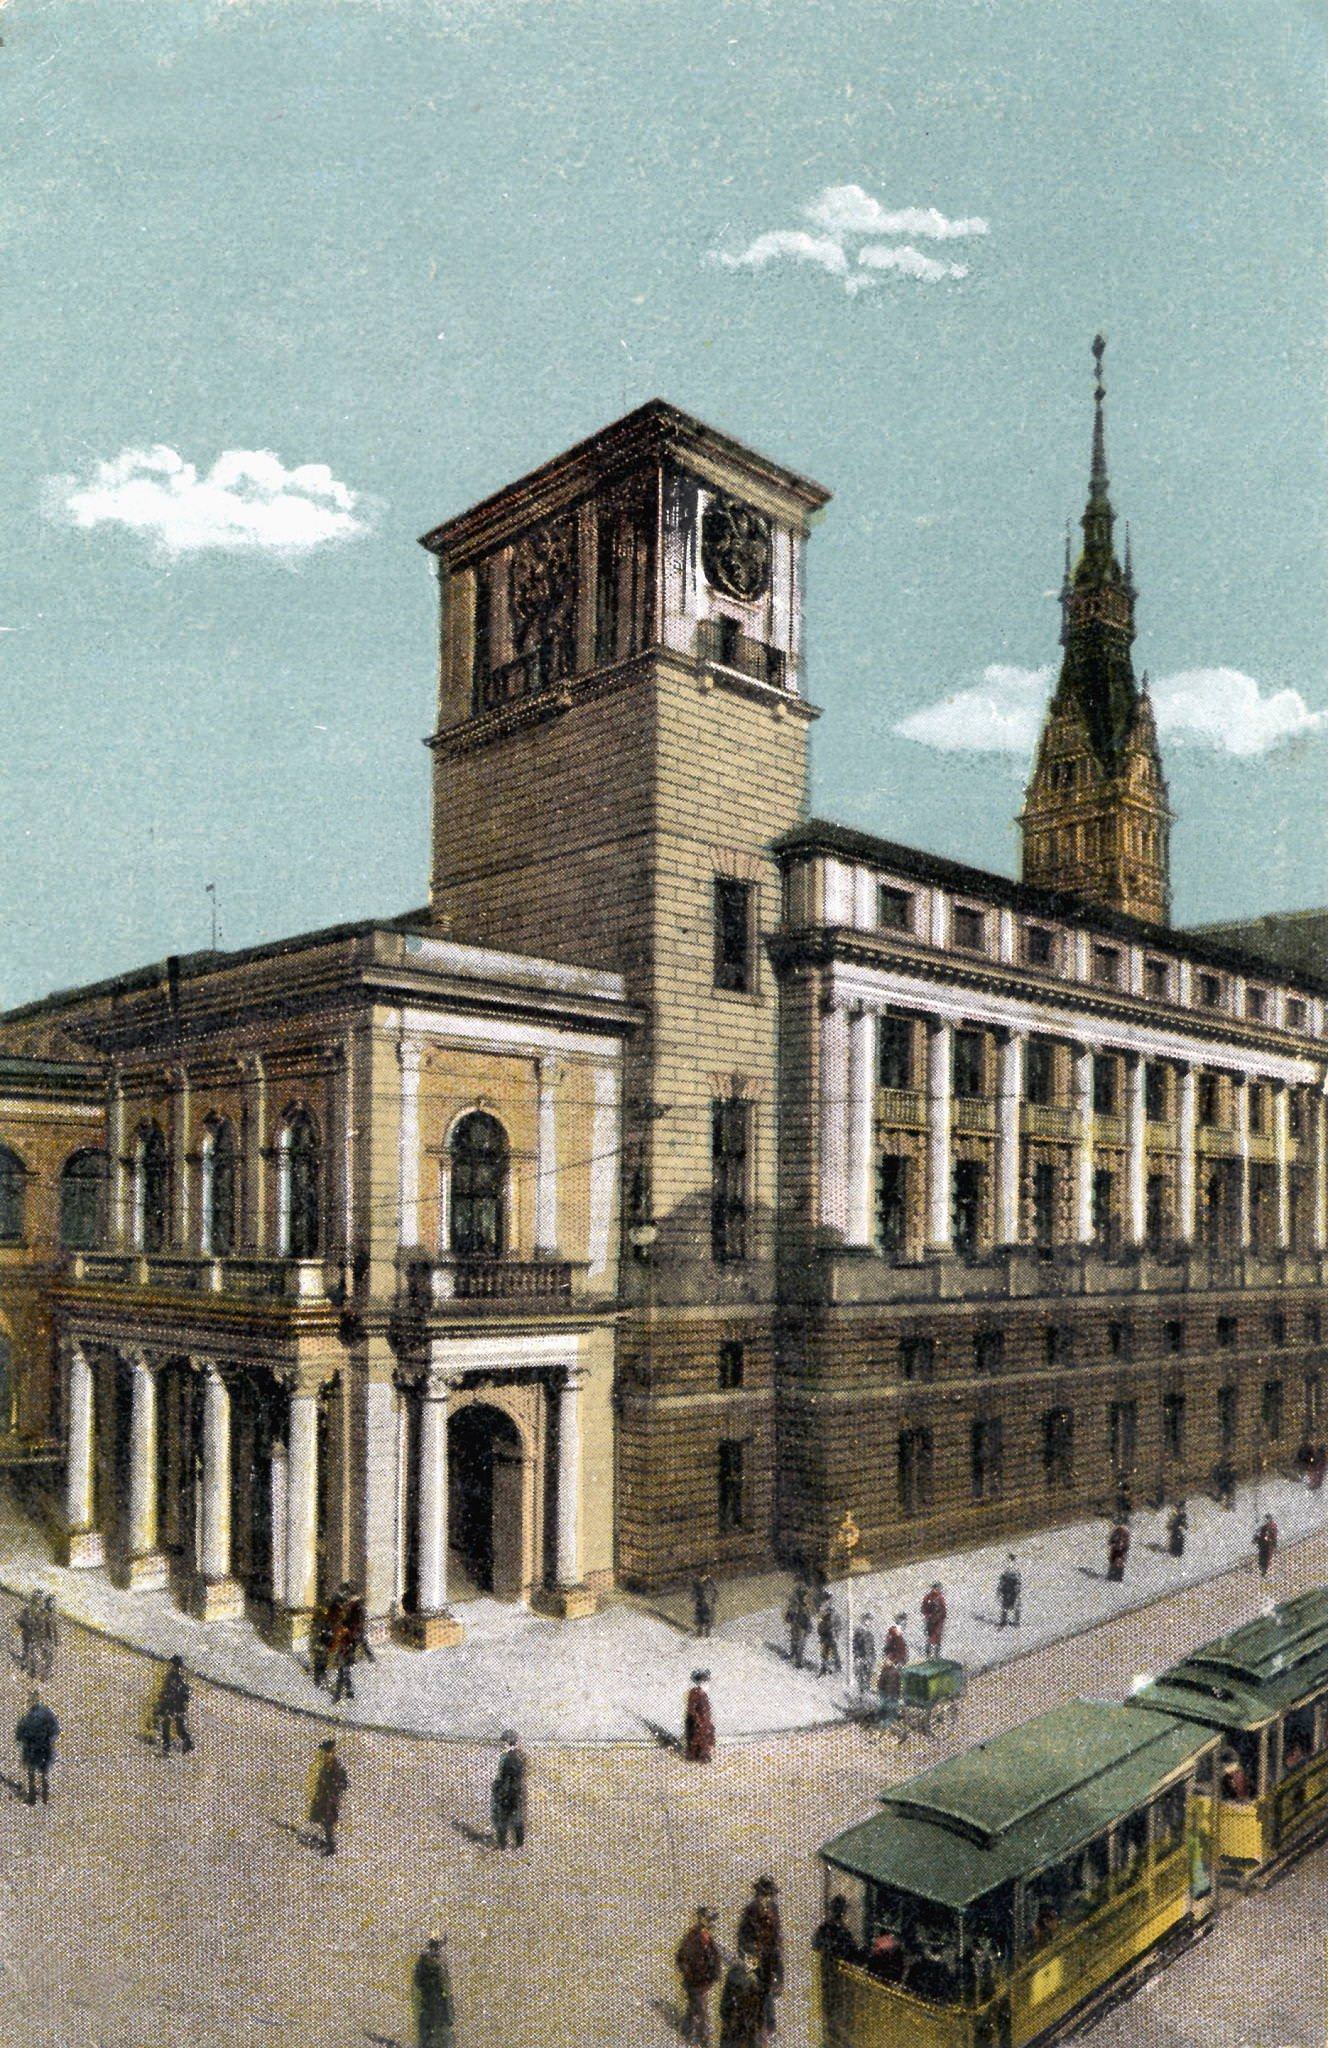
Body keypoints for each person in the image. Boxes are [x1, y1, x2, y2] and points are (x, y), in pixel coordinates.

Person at [736, 1876, 784, 2037]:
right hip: (755, 1959)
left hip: (771, 1959)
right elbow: (742, 1939)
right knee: (756, 1993)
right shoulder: (750, 1912)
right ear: (757, 1895)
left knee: (768, 1993)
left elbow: (777, 1937)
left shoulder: (774, 1909)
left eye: (769, 1895)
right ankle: (758, 2029)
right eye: (764, 1895)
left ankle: (769, 2029)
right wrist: (749, 1960)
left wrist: (779, 1968)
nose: (766, 1899)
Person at [676, 1906, 722, 2046]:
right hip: (695, 1981)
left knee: (694, 2007)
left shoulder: (708, 1937)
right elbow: (681, 1958)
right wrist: (690, 1975)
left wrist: (715, 1972)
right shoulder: (692, 1937)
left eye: (711, 1921)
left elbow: (715, 1957)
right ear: (700, 1919)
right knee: (701, 2009)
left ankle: (686, 2028)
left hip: (704, 1981)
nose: (709, 1923)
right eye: (707, 1919)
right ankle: (704, 2039)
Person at [15, 1690, 58, 1805]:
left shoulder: (27, 1717)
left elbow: (19, 1734)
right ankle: (43, 1798)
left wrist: (24, 1740)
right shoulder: (46, 1714)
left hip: (32, 1749)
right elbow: (54, 1729)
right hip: (43, 1748)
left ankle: (34, 1797)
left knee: (33, 1772)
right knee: (42, 1773)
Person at [412, 1933, 454, 2048]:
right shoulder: (438, 1963)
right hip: (435, 2002)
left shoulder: (424, 1961)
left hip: (430, 2002)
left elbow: (417, 1982)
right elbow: (446, 1987)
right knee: (435, 2032)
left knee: (429, 2033)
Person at [718, 1950, 766, 2048]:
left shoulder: (756, 1979)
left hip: (744, 2026)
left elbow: (760, 2007)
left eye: (755, 1961)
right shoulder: (735, 1976)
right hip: (738, 2024)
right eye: (749, 1959)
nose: (752, 1963)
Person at [309, 1736, 348, 1856]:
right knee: (323, 1818)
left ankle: (331, 1846)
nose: (325, 1755)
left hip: (330, 1798)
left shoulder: (335, 1766)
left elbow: (343, 1783)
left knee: (328, 1820)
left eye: (327, 1752)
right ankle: (327, 1842)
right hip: (324, 1796)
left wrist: (333, 1791)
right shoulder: (327, 1764)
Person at [491, 1728, 527, 1849]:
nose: (501, 1745)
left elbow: (506, 1777)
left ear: (508, 1742)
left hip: (508, 1792)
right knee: (517, 1819)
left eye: (503, 1742)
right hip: (517, 1791)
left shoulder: (509, 1757)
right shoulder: (520, 1755)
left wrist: (497, 1788)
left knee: (503, 1819)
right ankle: (518, 1845)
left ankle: (503, 1846)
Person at [154, 1654, 194, 1755]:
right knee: (179, 1728)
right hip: (179, 1706)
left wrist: (162, 1702)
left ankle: (167, 1749)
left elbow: (167, 1691)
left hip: (171, 1705)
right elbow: (185, 1692)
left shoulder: (172, 1676)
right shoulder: (182, 1677)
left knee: (166, 1727)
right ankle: (188, 1744)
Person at [311, 1587, 344, 1691]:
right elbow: (319, 1627)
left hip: (326, 1638)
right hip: (323, 1638)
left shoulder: (332, 1612)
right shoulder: (324, 1613)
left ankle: (321, 1679)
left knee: (323, 1660)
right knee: (321, 1659)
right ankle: (319, 1680)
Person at [812, 1894, 858, 1965]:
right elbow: (851, 1954)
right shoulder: (843, 1932)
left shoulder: (823, 1928)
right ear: (844, 1911)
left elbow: (816, 1947)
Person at [684, 1670, 716, 1764]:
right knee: (697, 1738)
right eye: (705, 1682)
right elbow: (691, 1709)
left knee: (705, 1737)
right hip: (697, 1721)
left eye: (706, 1682)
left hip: (704, 1720)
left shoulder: (703, 1694)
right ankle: (697, 1756)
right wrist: (698, 1720)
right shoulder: (694, 1693)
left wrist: (708, 1720)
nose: (707, 1684)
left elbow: (706, 1709)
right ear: (700, 1683)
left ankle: (703, 1755)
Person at [784, 1583, 812, 1670]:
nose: (806, 1598)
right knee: (797, 1643)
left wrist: (809, 1627)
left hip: (801, 1626)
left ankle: (796, 1658)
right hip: (798, 1626)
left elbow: (807, 1617)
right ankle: (796, 1659)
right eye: (804, 1595)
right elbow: (789, 1616)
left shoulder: (804, 1606)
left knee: (798, 1643)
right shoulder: (796, 1605)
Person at [851, 1612, 876, 1697]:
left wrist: (873, 1659)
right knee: (861, 1677)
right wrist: (857, 1657)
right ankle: (861, 1696)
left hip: (869, 1658)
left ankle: (866, 1696)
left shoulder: (870, 1633)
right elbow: (855, 1646)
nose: (869, 1622)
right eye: (868, 1620)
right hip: (861, 1657)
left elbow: (872, 1648)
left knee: (868, 1677)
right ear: (864, 1620)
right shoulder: (859, 1632)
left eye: (870, 1620)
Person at [816, 1598, 841, 1679]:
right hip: (827, 1638)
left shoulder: (835, 1617)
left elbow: (839, 1627)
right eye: (828, 1611)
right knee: (825, 1655)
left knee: (834, 1654)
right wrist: (822, 1635)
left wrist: (836, 1634)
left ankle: (837, 1669)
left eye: (830, 1610)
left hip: (832, 1638)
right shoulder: (825, 1618)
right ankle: (824, 1670)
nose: (829, 1612)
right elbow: (820, 1628)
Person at [920, 1582, 946, 1657]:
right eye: (937, 1588)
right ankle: (931, 1654)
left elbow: (943, 1611)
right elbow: (923, 1609)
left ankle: (934, 1654)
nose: (937, 1590)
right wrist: (929, 1616)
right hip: (933, 1620)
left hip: (936, 1620)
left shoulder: (937, 1597)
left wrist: (932, 1617)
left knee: (934, 1637)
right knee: (932, 1637)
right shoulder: (932, 1597)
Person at [997, 1555, 1021, 1627]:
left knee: (1015, 1604)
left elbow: (1018, 1581)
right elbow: (1002, 1580)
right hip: (1006, 1588)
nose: (1008, 1562)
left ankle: (1015, 1621)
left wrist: (1017, 1588)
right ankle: (1004, 1620)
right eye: (1008, 1560)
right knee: (1005, 1604)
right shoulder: (1006, 1569)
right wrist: (1000, 1588)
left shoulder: (1015, 1570)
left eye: (1010, 1560)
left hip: (1012, 1588)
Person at [692, 1572, 718, 1639]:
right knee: (701, 1623)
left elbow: (715, 1592)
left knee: (707, 1622)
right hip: (701, 1605)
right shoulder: (697, 1584)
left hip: (707, 1606)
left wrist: (713, 1600)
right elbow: (694, 1595)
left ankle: (706, 1636)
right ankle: (700, 1635)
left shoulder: (709, 1583)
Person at [37, 1595, 58, 1679]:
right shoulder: (50, 1616)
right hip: (47, 1639)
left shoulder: (41, 1613)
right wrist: (56, 1640)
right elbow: (53, 1629)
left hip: (40, 1638)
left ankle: (43, 1673)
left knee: (44, 1655)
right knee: (49, 1657)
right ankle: (45, 1674)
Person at [1254, 1513, 1278, 1577]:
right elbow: (1262, 1534)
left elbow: (1273, 1536)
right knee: (1262, 1556)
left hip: (1268, 1545)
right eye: (1266, 1519)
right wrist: (1257, 1538)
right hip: (1264, 1544)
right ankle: (1262, 1568)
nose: (1266, 1520)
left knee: (1266, 1557)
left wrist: (1272, 1541)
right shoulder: (1264, 1527)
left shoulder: (1272, 1526)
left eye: (1267, 1519)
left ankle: (1264, 1569)